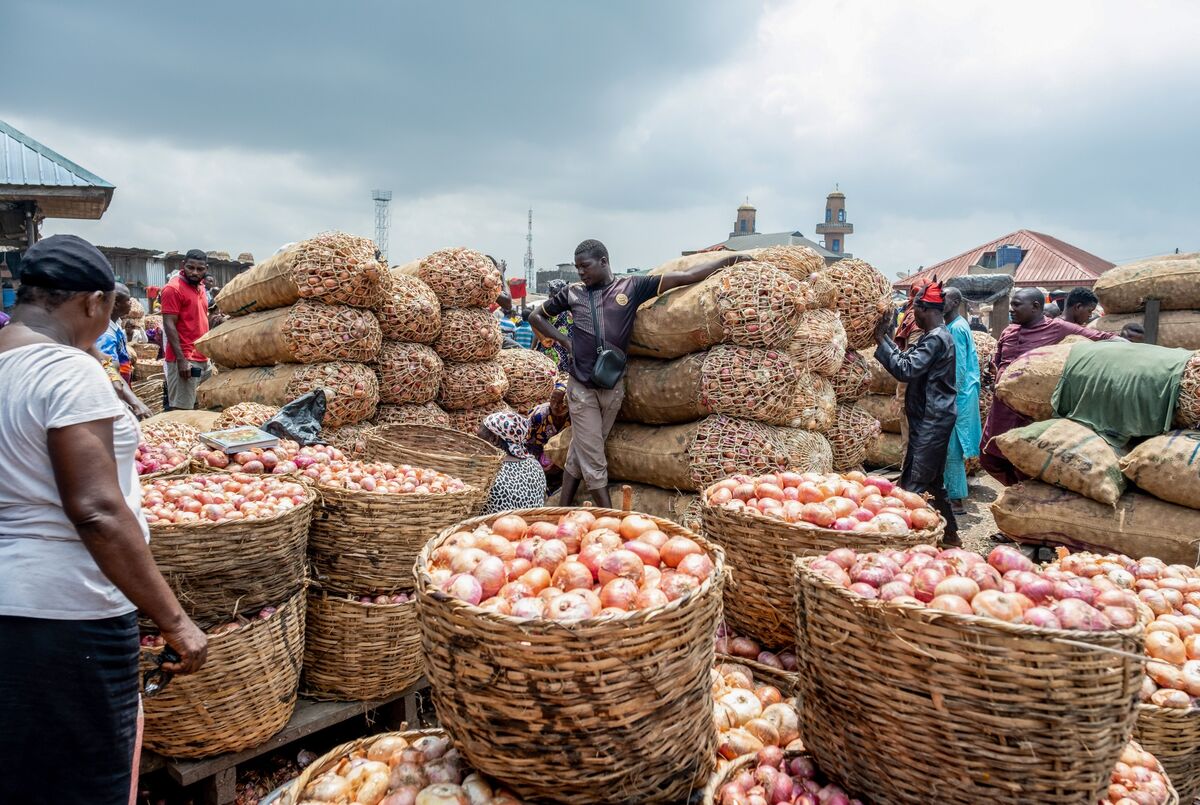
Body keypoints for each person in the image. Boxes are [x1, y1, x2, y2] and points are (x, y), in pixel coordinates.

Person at [0, 235, 207, 804]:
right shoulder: (65, 371)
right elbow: (94, 510)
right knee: (88, 784)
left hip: (12, 607)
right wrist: (175, 621)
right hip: (70, 615)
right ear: (93, 303)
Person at [530, 239, 750, 507]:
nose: (581, 273)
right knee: (594, 454)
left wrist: (730, 261)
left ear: (603, 261)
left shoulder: (631, 287)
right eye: (577, 268)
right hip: (581, 387)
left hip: (612, 385)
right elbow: (536, 317)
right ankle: (612, 516)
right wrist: (565, 341)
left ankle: (563, 506)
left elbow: (684, 277)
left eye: (585, 266)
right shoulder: (573, 294)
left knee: (584, 447)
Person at [980, 287, 1117, 485]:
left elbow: (1103, 338)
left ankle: (1024, 496)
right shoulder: (1009, 331)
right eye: (1012, 305)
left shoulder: (1057, 328)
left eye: (1017, 305)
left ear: (1035, 306)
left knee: (1022, 461)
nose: (1012, 310)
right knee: (989, 457)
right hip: (1000, 409)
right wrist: (994, 377)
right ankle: (1015, 489)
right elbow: (998, 361)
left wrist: (1128, 343)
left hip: (1028, 412)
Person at [874, 280, 959, 544]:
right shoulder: (936, 337)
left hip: (931, 420)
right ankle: (951, 537)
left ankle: (904, 543)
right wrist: (887, 340)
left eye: (915, 312)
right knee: (932, 482)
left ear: (924, 310)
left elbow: (905, 370)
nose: (913, 318)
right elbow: (909, 363)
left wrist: (881, 339)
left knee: (912, 485)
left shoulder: (935, 339)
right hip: (932, 417)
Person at [940, 288, 981, 516]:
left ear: (955, 301)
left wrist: (947, 396)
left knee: (951, 449)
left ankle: (955, 501)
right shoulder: (957, 324)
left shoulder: (956, 328)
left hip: (959, 396)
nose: (940, 301)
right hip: (963, 394)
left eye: (944, 298)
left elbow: (958, 369)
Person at [160, 249, 211, 410]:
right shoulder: (173, 289)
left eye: (200, 269)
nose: (195, 273)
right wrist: (181, 360)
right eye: (191, 268)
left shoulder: (201, 287)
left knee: (199, 408)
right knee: (182, 411)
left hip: (202, 357)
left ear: (206, 269)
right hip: (185, 359)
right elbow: (169, 324)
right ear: (183, 265)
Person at [476, 411, 547, 514]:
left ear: (494, 439)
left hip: (492, 527)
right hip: (529, 525)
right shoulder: (535, 465)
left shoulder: (488, 471)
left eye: (479, 438)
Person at [526, 381, 571, 489]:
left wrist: (557, 463)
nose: (555, 406)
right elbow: (523, 441)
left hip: (559, 456)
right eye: (553, 400)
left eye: (561, 402)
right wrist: (536, 463)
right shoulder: (539, 415)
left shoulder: (574, 417)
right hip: (535, 454)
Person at [96, 282, 134, 385]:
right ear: (116, 304)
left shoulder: (116, 324)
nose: (131, 303)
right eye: (128, 300)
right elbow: (112, 375)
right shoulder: (106, 336)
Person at [535, 278, 574, 369]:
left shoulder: (548, 311)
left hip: (553, 350)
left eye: (552, 293)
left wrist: (534, 347)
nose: (549, 295)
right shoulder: (571, 309)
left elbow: (536, 327)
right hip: (562, 350)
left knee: (550, 376)